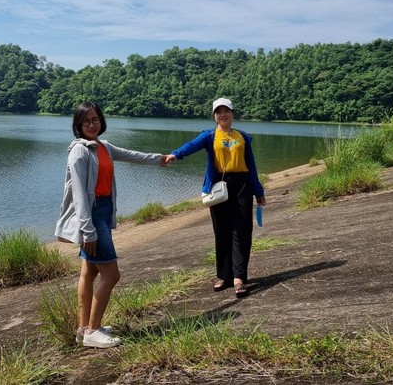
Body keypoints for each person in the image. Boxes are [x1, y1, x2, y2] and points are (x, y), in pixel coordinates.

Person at [54, 101, 174, 348]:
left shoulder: (103, 147)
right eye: (85, 121)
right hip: (92, 216)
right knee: (112, 275)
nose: (91, 124)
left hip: (103, 211)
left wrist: (158, 159)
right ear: (77, 124)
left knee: (90, 271)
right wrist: (88, 230)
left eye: (95, 119)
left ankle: (83, 328)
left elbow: (131, 155)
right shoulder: (79, 151)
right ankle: (93, 331)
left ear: (101, 121)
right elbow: (79, 195)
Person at [164, 97, 266, 298]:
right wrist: (175, 154)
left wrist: (259, 191)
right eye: (218, 112)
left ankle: (239, 278)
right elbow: (191, 145)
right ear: (214, 116)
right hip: (220, 186)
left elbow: (252, 167)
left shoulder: (243, 137)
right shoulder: (209, 136)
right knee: (222, 231)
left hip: (242, 185)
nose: (223, 115)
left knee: (242, 231)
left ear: (232, 114)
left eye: (226, 111)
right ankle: (223, 275)